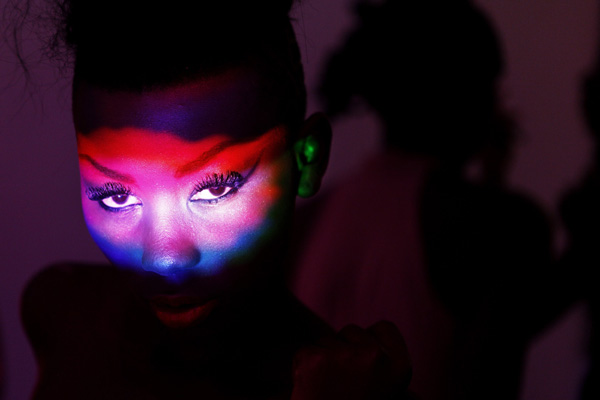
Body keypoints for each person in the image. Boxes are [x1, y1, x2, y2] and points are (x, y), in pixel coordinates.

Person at [18, 0, 411, 399]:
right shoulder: (61, 313)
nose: (164, 257)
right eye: (116, 196)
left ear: (307, 160)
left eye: (215, 190)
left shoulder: (348, 391)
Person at [291, 1, 554, 399]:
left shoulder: (311, 219)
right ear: (461, 92)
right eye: (489, 85)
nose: (498, 105)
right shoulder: (495, 225)